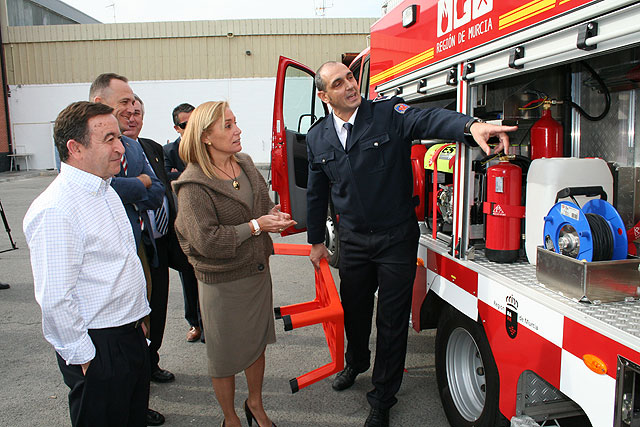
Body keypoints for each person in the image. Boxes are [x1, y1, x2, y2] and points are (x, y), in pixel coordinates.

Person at [306, 61, 518, 427]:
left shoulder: (388, 114)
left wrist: (470, 126)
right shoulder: (317, 137)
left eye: (351, 77)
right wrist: (315, 241)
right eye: (338, 83)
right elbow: (316, 192)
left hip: (395, 240)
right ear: (325, 96)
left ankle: (382, 397)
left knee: (391, 321)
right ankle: (356, 361)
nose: (350, 86)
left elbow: (429, 119)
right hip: (354, 241)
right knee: (354, 312)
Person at [23, 101, 151, 426]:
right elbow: (55, 298)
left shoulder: (106, 191)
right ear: (74, 148)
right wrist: (84, 359)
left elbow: (120, 264)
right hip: (98, 347)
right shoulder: (56, 209)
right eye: (109, 139)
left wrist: (139, 318)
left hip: (128, 336)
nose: (121, 148)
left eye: (119, 137)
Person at [172, 101, 295, 427]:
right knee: (224, 358)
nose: (237, 129)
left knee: (257, 345)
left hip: (256, 274)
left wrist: (274, 215)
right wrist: (257, 226)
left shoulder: (244, 162)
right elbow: (207, 241)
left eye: (235, 122)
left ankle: (255, 404)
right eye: (227, 125)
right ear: (206, 137)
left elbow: (262, 203)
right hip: (222, 283)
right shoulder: (193, 185)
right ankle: (230, 419)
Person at [89, 73, 166, 427]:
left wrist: (136, 186)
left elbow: (157, 191)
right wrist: (138, 184)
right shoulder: (81, 142)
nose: (133, 109)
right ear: (101, 103)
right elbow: (105, 188)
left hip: (143, 243)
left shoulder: (133, 146)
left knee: (145, 321)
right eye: (125, 102)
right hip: (112, 264)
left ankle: (143, 385)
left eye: (136, 102)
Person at [125, 95, 195, 389]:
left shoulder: (150, 148)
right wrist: (142, 186)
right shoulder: (114, 153)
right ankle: (138, 375)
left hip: (165, 236)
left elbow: (162, 187)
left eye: (138, 112)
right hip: (140, 244)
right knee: (139, 311)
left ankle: (151, 361)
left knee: (159, 305)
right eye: (126, 112)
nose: (133, 117)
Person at [163, 102, 203, 342]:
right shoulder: (168, 152)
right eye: (185, 124)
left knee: (211, 278)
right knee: (188, 276)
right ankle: (194, 324)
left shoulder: (208, 147)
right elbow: (168, 179)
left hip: (209, 222)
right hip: (183, 225)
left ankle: (212, 324)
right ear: (177, 127)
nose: (191, 128)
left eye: (194, 122)